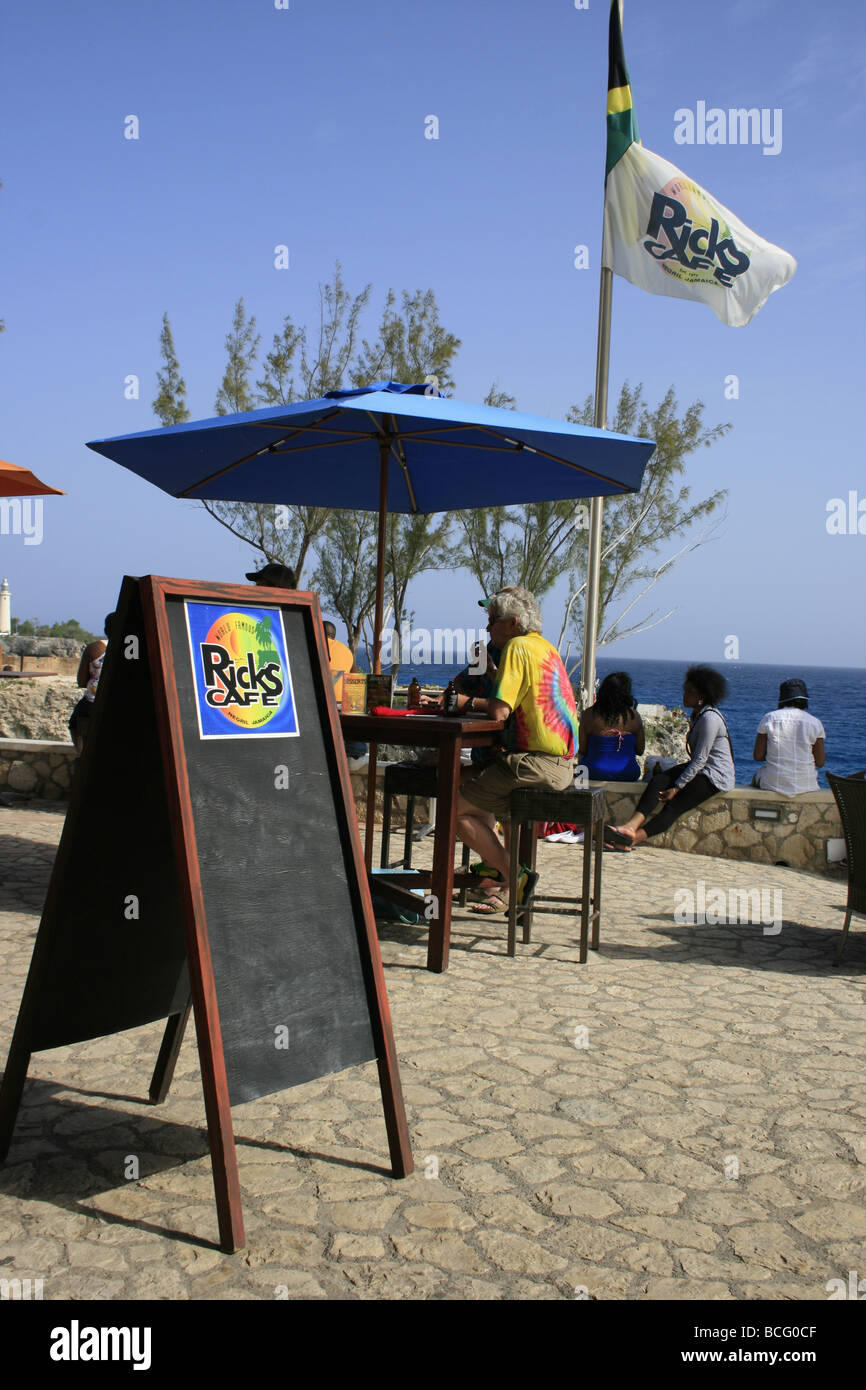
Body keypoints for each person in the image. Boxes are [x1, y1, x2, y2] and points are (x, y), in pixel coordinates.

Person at [452, 587, 578, 915]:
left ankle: (514, 878)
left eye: (493, 620)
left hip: (535, 764)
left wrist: (464, 703)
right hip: (561, 764)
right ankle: (502, 879)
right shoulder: (545, 648)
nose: (487, 628)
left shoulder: (517, 648)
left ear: (513, 622)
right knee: (467, 786)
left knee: (455, 808)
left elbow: (498, 712)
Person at [606, 665, 734, 849]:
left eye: (689, 692)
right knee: (659, 780)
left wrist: (677, 787)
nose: (684, 695)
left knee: (675, 806)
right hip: (701, 768)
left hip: (714, 775)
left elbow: (700, 759)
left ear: (702, 696)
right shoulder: (698, 715)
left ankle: (631, 840)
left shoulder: (709, 719)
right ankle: (630, 826)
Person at [752, 678, 825, 795]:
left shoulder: (769, 718)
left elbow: (757, 756)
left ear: (782, 698)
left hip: (773, 783)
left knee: (757, 776)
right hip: (807, 785)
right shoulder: (815, 723)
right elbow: (820, 762)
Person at [579, 671, 645, 781]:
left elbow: (582, 750)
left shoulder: (588, 715)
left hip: (593, 772)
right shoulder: (634, 717)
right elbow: (640, 750)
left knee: (580, 770)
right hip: (627, 772)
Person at [68, 613, 115, 753]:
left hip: (92, 705)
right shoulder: (133, 648)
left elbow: (81, 681)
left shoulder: (95, 648)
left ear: (106, 630)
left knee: (74, 725)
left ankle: (81, 756)